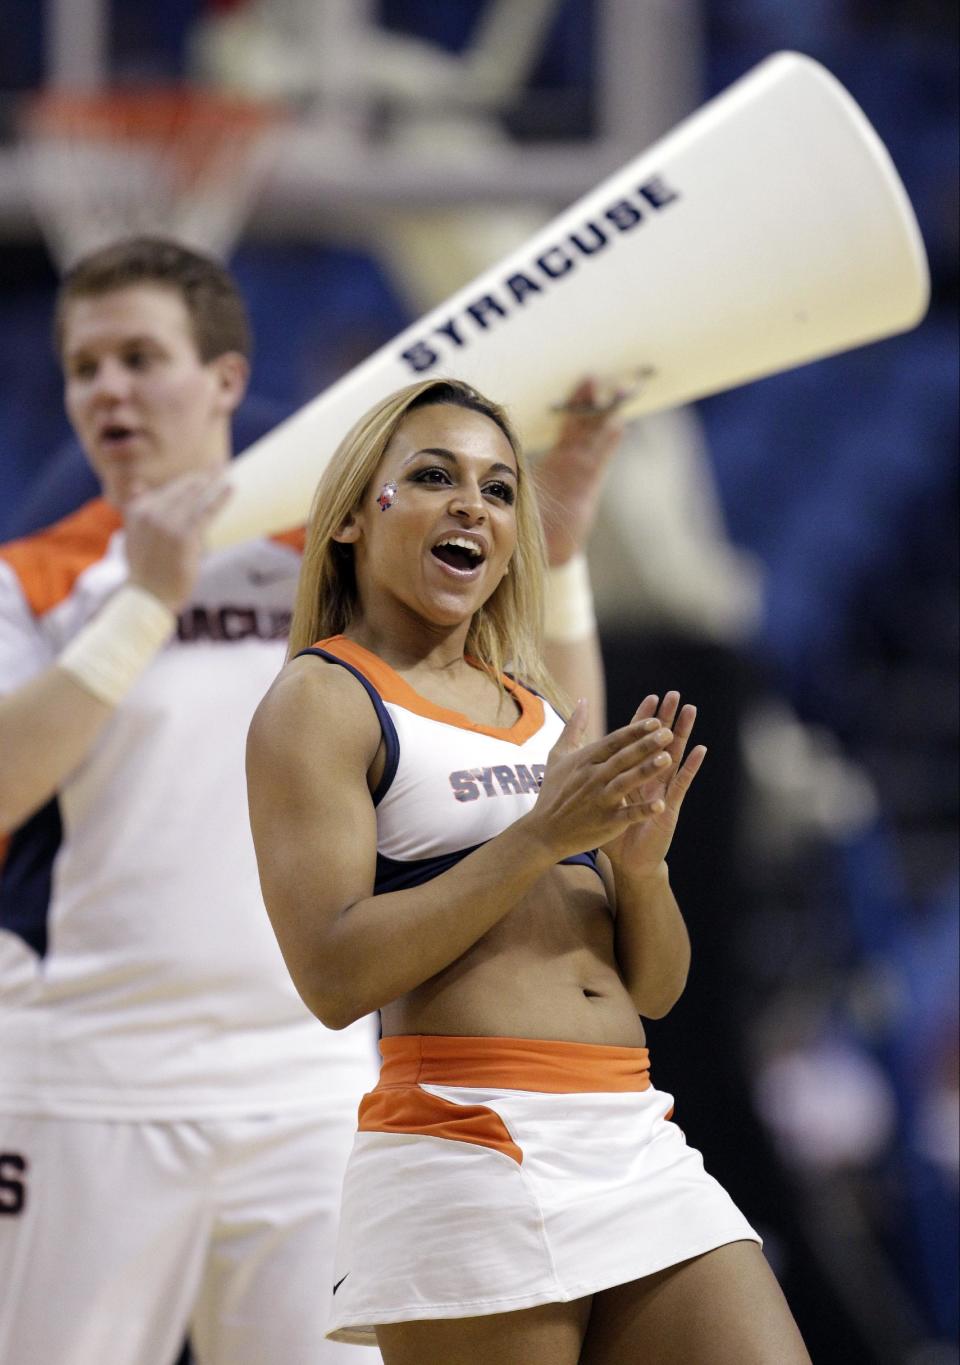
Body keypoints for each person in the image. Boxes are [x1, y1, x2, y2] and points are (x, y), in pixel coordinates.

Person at [0, 237, 627, 1365]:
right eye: (83, 367)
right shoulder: (37, 577)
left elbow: (557, 761)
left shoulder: (341, 560)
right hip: (85, 1080)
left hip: (316, 1080)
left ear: (225, 382)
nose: (109, 389)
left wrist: (564, 558)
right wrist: (146, 602)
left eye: (140, 357)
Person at [245, 377, 813, 1364]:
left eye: (500, 489)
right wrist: (536, 840)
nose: (474, 504)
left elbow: (656, 987)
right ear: (345, 520)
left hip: (632, 1131)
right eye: (433, 476)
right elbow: (332, 978)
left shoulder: (534, 702)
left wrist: (641, 873)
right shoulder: (322, 698)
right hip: (470, 1140)